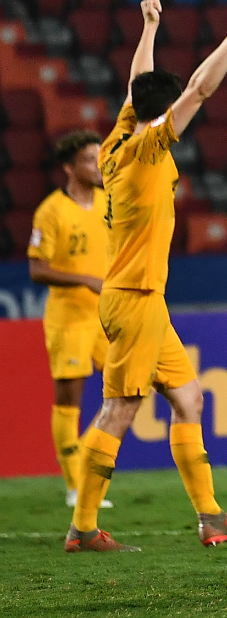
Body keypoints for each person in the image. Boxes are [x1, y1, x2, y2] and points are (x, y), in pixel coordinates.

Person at [65, 0, 227, 552]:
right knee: (120, 409)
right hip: (133, 299)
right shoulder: (150, 149)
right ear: (163, 113)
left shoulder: (113, 145)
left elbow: (136, 85)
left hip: (139, 298)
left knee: (189, 398)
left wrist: (149, 27)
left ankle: (210, 518)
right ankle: (83, 528)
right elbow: (201, 88)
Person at [28, 130, 115, 510]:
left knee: (128, 389)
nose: (97, 165)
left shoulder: (107, 203)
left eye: (99, 158)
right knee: (69, 400)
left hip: (104, 316)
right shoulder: (51, 211)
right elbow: (36, 268)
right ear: (68, 167)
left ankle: (85, 455)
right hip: (68, 318)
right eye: (88, 159)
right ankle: (75, 484)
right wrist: (85, 279)